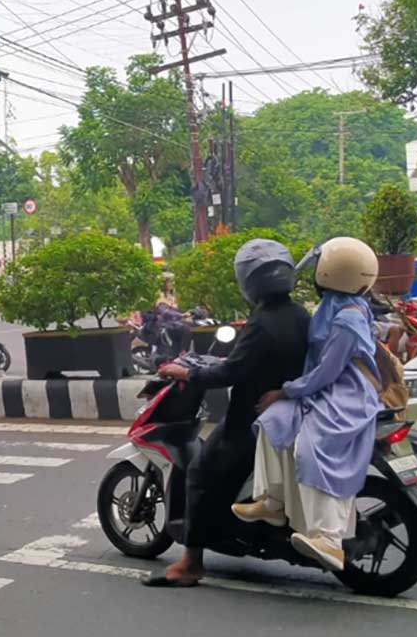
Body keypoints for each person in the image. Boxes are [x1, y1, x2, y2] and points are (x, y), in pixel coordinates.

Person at [141, 239, 311, 587]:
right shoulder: (299, 314)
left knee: (201, 471)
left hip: (248, 423)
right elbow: (250, 361)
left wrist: (186, 372)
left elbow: (232, 373)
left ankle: (190, 564)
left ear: (248, 281)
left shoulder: (262, 322)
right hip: (292, 411)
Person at [233, 237, 382, 572]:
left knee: (312, 446)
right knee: (274, 421)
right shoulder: (334, 305)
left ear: (331, 274)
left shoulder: (347, 320)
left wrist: (287, 390)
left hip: (347, 395)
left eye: (319, 269)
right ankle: (272, 501)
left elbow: (327, 372)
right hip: (324, 388)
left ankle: (328, 539)